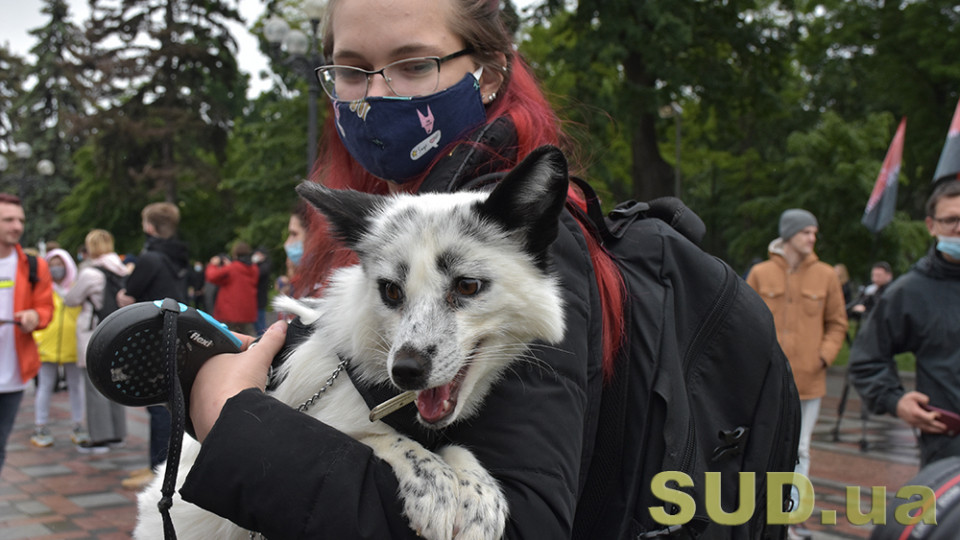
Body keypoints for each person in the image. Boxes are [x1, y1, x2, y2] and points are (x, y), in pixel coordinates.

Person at [176, 1, 632, 537]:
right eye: (351, 70)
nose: (375, 95)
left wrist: (231, 421)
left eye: (413, 65)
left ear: (490, 70)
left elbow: (522, 525)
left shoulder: (523, 239)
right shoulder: (397, 222)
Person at [745, 208, 848, 539]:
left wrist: (823, 357)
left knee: (800, 449)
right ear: (789, 235)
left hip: (808, 382)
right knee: (760, 445)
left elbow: (837, 322)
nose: (812, 238)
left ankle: (790, 520)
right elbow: (744, 320)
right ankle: (759, 514)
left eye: (814, 233)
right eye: (806, 232)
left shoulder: (827, 275)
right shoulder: (760, 273)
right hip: (766, 381)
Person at [850, 180, 960, 467]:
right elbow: (866, 360)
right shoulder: (910, 292)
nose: (959, 228)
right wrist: (895, 400)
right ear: (931, 225)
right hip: (948, 449)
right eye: (951, 220)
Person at [116, 202, 190, 490]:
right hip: (175, 334)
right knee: (167, 402)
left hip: (153, 338)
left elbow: (128, 293)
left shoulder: (150, 258)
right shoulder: (178, 257)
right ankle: (161, 465)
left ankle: (157, 469)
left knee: (158, 405)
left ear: (149, 227)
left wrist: (125, 293)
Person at [63, 230, 130, 454]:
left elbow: (71, 299)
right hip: (117, 332)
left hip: (93, 332)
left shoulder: (90, 273)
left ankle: (100, 437)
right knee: (116, 381)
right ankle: (119, 433)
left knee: (95, 386)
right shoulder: (122, 269)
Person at [0, 193, 53, 472]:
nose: (17, 226)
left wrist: (36, 316)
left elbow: (46, 308)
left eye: (20, 220)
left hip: (13, 375)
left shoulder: (35, 265)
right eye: (8, 219)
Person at [30, 248, 88, 448]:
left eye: (60, 264)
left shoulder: (76, 288)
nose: (56, 269)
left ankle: (79, 424)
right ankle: (41, 426)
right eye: (52, 264)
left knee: (76, 386)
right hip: (47, 344)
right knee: (44, 385)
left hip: (72, 344)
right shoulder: (42, 287)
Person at [204, 241, 259, 335]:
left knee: (229, 338)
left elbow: (212, 277)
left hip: (230, 312)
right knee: (250, 337)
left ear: (235, 253)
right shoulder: (254, 268)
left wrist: (212, 264)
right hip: (247, 312)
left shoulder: (232, 268)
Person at [251, 248, 271, 335]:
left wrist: (254, 264)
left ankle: (262, 338)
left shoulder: (264, 266)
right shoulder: (260, 265)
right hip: (255, 298)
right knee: (257, 321)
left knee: (260, 322)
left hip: (260, 298)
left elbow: (256, 275)